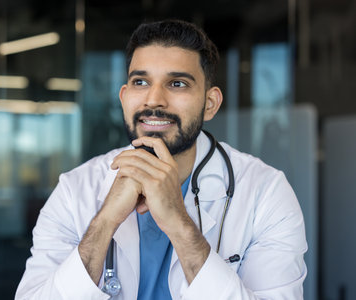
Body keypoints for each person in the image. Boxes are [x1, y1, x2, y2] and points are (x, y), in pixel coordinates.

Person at [15, 19, 307, 299]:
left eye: (177, 84)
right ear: (124, 97)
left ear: (210, 104)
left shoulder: (265, 192)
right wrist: (105, 222)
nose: (153, 99)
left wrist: (178, 223)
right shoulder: (74, 190)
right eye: (140, 82)